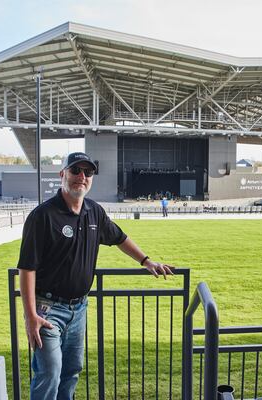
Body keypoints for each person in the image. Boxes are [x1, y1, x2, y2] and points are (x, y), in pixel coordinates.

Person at [17, 152, 174, 399]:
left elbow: (120, 238)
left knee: (71, 370)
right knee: (50, 371)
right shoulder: (42, 216)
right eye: (75, 171)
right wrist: (30, 315)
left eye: (87, 172)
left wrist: (146, 261)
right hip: (47, 309)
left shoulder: (94, 212)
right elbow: (26, 269)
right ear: (62, 175)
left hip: (79, 309)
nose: (82, 176)